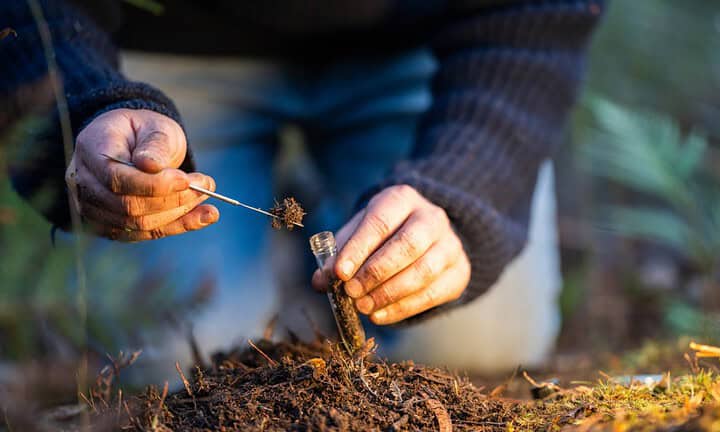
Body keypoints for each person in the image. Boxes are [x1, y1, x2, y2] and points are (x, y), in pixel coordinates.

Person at [1, 0, 603, 375]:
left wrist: (465, 190)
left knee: (476, 346)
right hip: (158, 47)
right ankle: (285, 219)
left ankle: (329, 209)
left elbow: (541, 12)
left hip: (423, 46)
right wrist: (84, 106)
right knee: (168, 361)